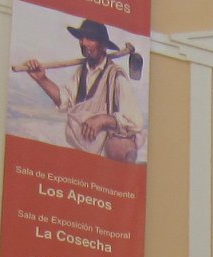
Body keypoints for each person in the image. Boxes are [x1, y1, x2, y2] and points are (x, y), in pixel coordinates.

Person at [20, 19, 144, 162]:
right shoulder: (82, 71)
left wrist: (103, 119)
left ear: (103, 45)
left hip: (106, 158)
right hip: (82, 151)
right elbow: (64, 100)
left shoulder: (116, 76)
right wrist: (41, 79)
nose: (84, 43)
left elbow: (135, 121)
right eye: (81, 38)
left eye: (90, 39)